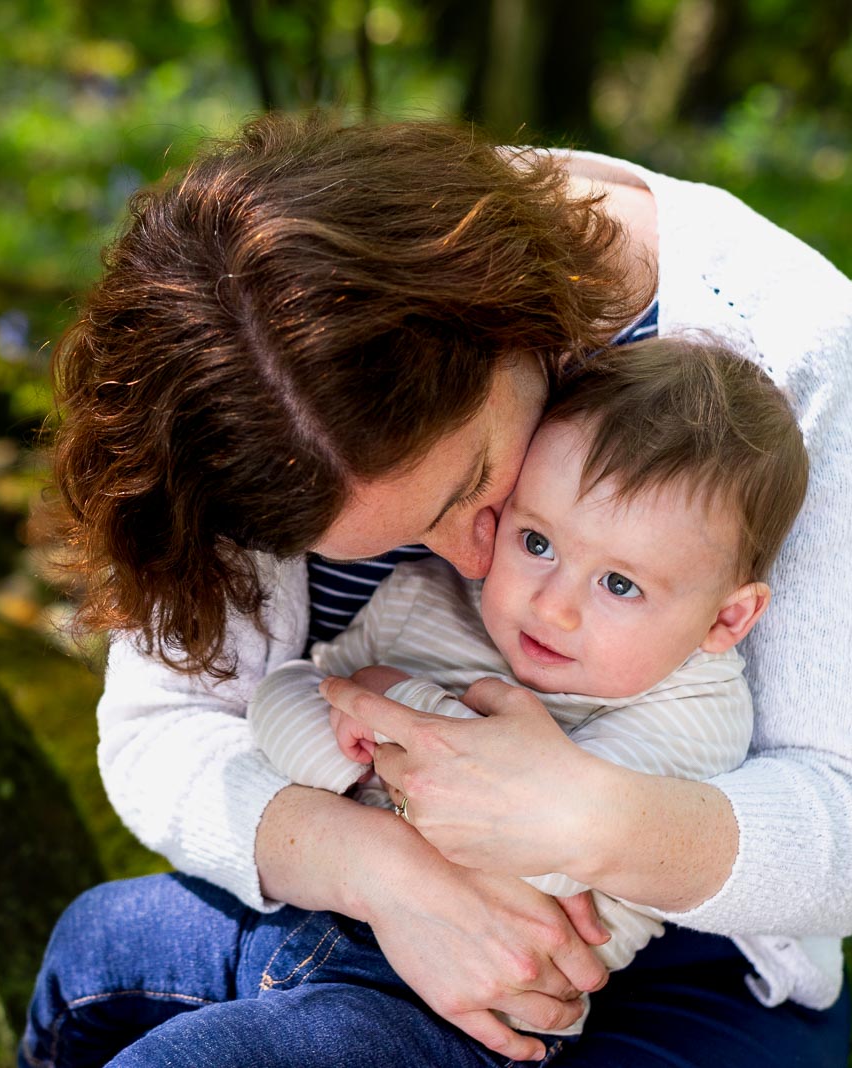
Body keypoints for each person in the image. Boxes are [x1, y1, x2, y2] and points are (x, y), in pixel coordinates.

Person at [28, 114, 852, 1067]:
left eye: (471, 487)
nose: (472, 557)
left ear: (520, 326)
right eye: (398, 538)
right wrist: (385, 874)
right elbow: (158, 730)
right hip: (343, 888)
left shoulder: (791, 338)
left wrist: (581, 813)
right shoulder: (258, 383)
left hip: (663, 961)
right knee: (97, 960)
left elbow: (847, 827)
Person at [249, 335, 810, 1042]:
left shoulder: (693, 711)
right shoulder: (433, 597)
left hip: (471, 1000)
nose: (552, 606)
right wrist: (349, 761)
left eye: (619, 584)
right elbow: (278, 698)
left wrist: (391, 707)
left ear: (726, 618)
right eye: (537, 542)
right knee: (100, 935)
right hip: (321, 903)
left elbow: (537, 852)